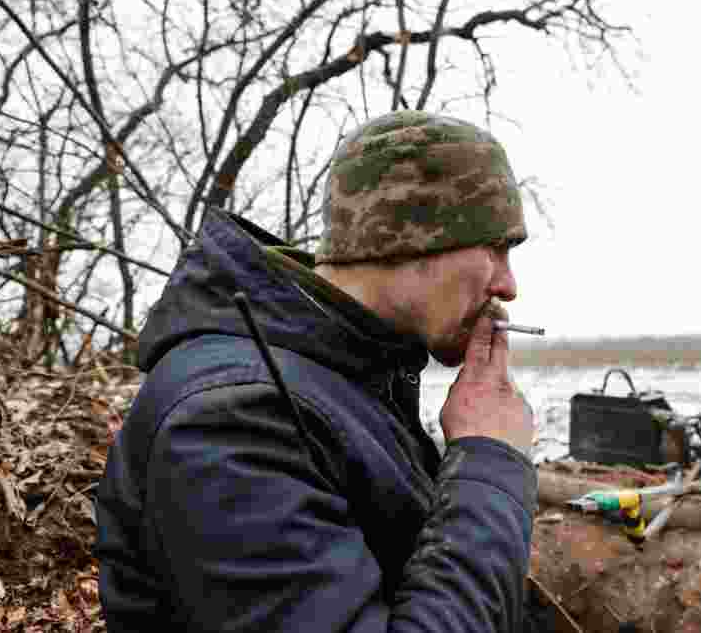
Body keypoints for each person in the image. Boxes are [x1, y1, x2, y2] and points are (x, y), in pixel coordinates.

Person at [94, 110, 539, 632]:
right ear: (411, 236)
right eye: (497, 248)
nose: (509, 286)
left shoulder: (348, 377)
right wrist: (489, 461)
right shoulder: (233, 419)